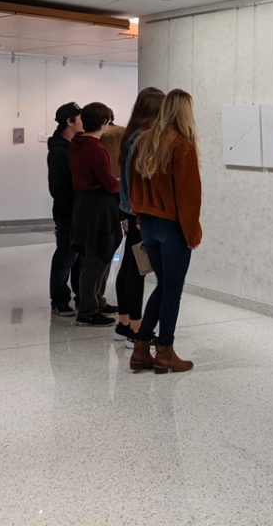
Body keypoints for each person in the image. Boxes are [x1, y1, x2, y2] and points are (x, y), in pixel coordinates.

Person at [129, 89, 202, 374]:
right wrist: (192, 232)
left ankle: (140, 347)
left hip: (148, 224)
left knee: (163, 286)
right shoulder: (182, 145)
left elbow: (132, 183)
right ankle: (165, 351)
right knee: (173, 291)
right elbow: (189, 197)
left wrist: (138, 215)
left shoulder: (145, 140)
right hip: (172, 227)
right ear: (184, 111)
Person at [114, 88, 164, 347]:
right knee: (137, 270)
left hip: (129, 209)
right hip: (138, 212)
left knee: (129, 267)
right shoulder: (141, 139)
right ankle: (135, 328)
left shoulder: (129, 136)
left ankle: (124, 323)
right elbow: (139, 180)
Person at [69, 102, 121, 327]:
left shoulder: (77, 144)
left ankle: (96, 301)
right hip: (98, 208)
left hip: (86, 205)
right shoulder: (95, 148)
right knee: (96, 259)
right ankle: (88, 309)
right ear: (103, 122)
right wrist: (124, 184)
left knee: (97, 257)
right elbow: (108, 184)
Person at [47, 102, 83, 316]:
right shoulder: (59, 152)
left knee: (78, 256)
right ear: (70, 122)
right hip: (68, 213)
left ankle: (81, 295)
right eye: (80, 119)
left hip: (77, 211)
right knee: (65, 256)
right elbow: (58, 188)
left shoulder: (71, 147)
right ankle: (59, 298)